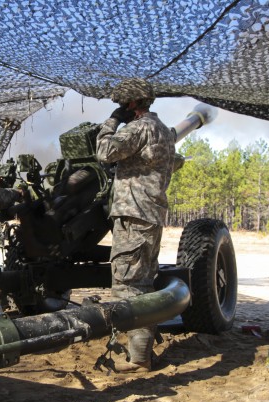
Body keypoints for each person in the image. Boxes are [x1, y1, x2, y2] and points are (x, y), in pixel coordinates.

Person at [95, 78, 177, 373]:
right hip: (150, 216)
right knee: (142, 283)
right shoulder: (164, 132)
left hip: (133, 216)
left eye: (121, 105)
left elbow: (104, 151)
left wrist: (112, 122)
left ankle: (138, 358)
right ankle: (141, 353)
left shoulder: (139, 128)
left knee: (128, 285)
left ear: (131, 104)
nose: (120, 109)